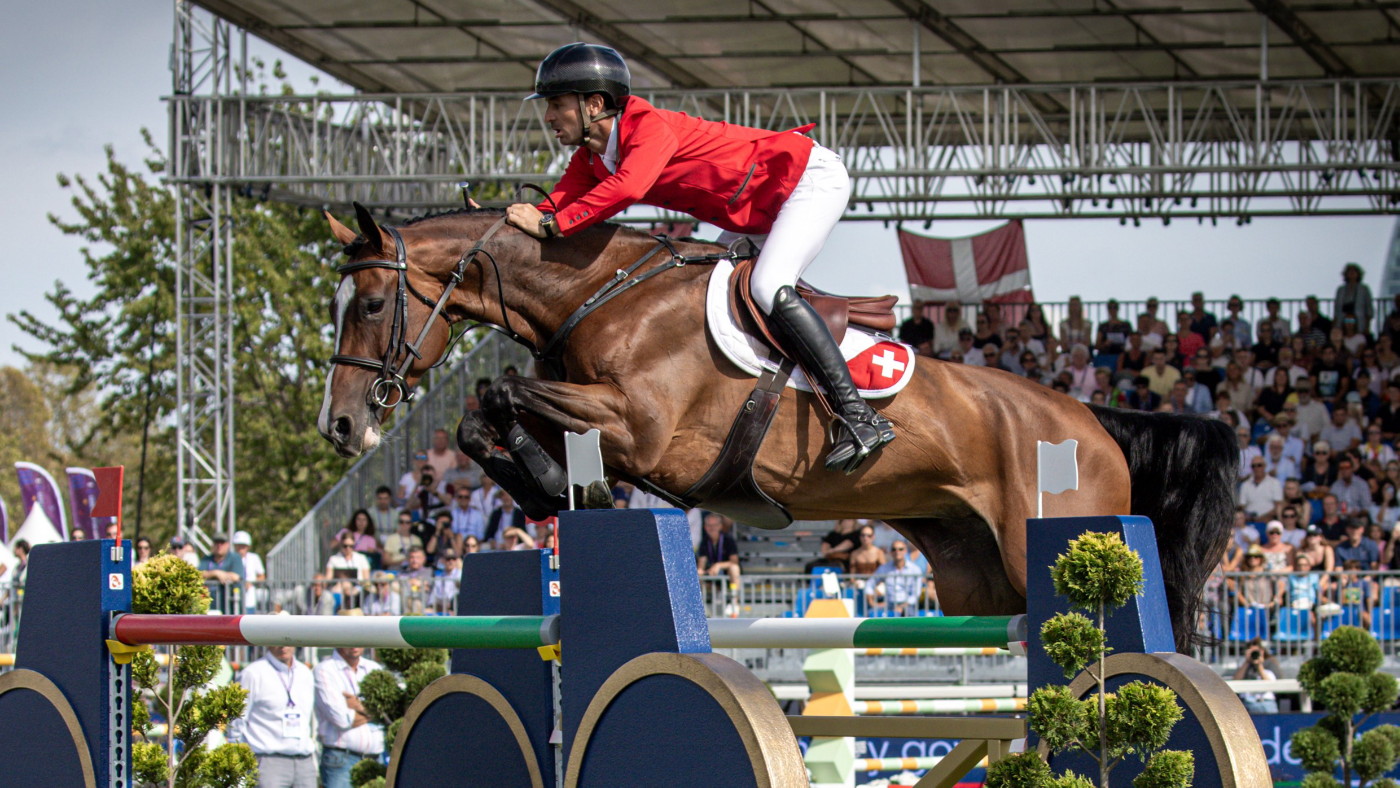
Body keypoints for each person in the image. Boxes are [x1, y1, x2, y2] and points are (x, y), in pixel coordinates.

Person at [506, 42, 893, 473]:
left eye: (556, 105)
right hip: (759, 211)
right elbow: (554, 205)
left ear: (594, 104)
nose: (548, 118)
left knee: (767, 286)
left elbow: (626, 190)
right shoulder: (592, 158)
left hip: (805, 181)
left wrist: (552, 227)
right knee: (705, 289)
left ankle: (860, 416)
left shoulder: (648, 127)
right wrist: (506, 229)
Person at [234, 645, 317, 787]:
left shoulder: (305, 673)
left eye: (287, 640)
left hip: (304, 761)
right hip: (268, 761)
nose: (283, 646)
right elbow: (237, 719)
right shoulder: (253, 673)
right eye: (277, 640)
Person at [314, 647, 385, 788]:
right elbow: (342, 719)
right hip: (341, 760)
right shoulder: (324, 670)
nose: (354, 643)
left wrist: (357, 705)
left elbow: (388, 711)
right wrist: (374, 711)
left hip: (375, 759)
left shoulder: (374, 668)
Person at [868, 539, 926, 616]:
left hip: (908, 606)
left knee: (907, 613)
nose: (897, 551)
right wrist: (871, 601)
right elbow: (870, 583)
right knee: (871, 614)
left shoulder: (914, 569)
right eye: (894, 549)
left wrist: (902, 606)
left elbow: (915, 594)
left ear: (905, 551)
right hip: (889, 605)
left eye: (900, 549)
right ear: (890, 552)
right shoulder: (884, 568)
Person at [199, 533, 245, 614]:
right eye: (216, 543)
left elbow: (236, 576)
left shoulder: (235, 557)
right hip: (210, 606)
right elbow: (198, 574)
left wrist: (213, 575)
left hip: (230, 606)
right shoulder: (207, 559)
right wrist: (215, 573)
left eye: (222, 543)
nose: (219, 546)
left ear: (227, 545)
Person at [1232, 639, 1281, 714]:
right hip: (1248, 703)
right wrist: (1247, 662)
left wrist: (1259, 665)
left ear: (1262, 651)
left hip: (1266, 702)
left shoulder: (1270, 663)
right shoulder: (1244, 666)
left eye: (1256, 651)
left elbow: (1270, 684)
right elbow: (1235, 681)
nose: (1254, 654)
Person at [696, 512, 741, 585]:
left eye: (715, 525)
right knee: (698, 572)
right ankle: (701, 595)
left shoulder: (728, 540)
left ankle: (734, 595)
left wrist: (719, 565)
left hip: (727, 573)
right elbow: (702, 563)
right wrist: (701, 571)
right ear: (705, 527)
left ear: (720, 526)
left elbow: (734, 562)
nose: (712, 528)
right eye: (709, 525)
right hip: (712, 572)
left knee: (734, 568)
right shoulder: (704, 541)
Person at [1239, 457, 1284, 523]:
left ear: (1264, 466)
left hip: (1268, 521)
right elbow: (1242, 506)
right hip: (1250, 522)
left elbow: (1278, 506)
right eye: (1253, 466)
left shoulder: (1275, 483)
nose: (1256, 468)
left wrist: (1262, 518)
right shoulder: (1245, 485)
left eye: (1259, 465)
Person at [233, 530, 267, 614]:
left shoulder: (254, 558)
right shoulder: (231, 558)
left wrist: (250, 583)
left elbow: (262, 576)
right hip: (234, 597)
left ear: (248, 547)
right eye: (238, 546)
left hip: (249, 598)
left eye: (243, 546)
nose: (240, 549)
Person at [1335, 262, 1374, 332]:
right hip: (1342, 321)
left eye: (1354, 272)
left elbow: (1369, 308)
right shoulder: (1340, 290)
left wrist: (1367, 326)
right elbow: (1337, 310)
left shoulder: (1364, 289)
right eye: (1349, 272)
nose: (1352, 274)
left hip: (1359, 322)